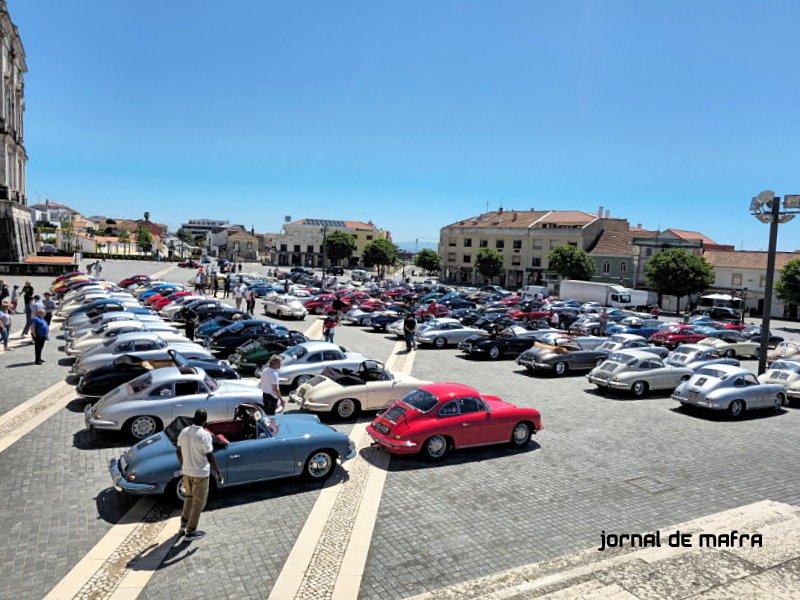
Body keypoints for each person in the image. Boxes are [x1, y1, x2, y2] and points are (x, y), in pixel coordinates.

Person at [176, 409, 223, 540]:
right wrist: (218, 472)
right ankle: (191, 532)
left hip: (186, 472)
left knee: (188, 498)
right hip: (200, 474)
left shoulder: (184, 432)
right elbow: (210, 456)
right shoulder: (204, 435)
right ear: (204, 421)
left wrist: (183, 464)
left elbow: (178, 451)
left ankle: (183, 525)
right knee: (198, 503)